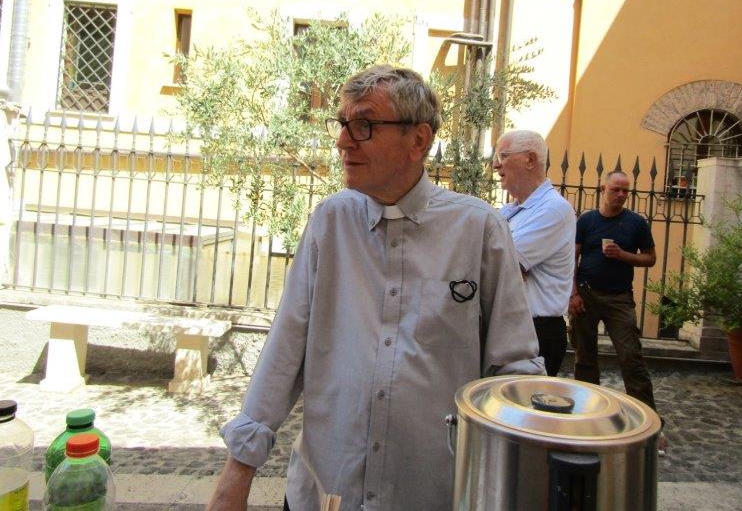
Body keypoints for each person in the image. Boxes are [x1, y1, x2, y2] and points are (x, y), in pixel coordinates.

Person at [207, 65, 544, 511]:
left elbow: (512, 368)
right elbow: (287, 345)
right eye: (343, 123)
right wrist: (237, 473)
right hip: (325, 490)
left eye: (364, 125)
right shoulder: (330, 222)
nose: (343, 141)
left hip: (430, 495)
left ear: (418, 140)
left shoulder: (478, 229)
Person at [568, 170, 659, 411]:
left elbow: (650, 258)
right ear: (603, 190)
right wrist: (573, 294)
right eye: (615, 189)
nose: (620, 194)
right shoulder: (586, 221)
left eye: (625, 191)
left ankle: (646, 413)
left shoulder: (636, 223)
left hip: (619, 297)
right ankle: (587, 409)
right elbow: (571, 258)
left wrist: (622, 255)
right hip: (586, 294)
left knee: (631, 356)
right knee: (584, 356)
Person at [493, 130, 576, 376]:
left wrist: (507, 266)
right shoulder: (511, 210)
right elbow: (487, 259)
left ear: (530, 160)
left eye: (503, 155)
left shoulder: (553, 209)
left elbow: (500, 266)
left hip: (537, 332)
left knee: (524, 400)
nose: (496, 165)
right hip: (514, 327)